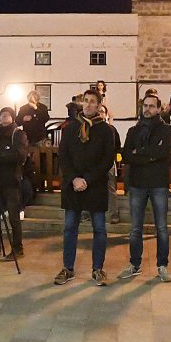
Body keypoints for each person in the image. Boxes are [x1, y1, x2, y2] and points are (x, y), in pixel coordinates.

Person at [53, 90, 114, 286]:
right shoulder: (71, 128)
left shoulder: (105, 130)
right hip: (73, 185)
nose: (88, 105)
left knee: (99, 229)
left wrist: (87, 179)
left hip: (95, 185)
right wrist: (73, 179)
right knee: (70, 228)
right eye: (85, 101)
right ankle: (68, 268)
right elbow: (63, 156)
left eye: (92, 102)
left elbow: (107, 159)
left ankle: (98, 269)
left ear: (98, 105)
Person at [118, 94, 171, 283]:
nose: (147, 109)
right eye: (145, 106)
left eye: (152, 106)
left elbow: (162, 152)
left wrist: (139, 152)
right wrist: (149, 156)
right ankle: (134, 264)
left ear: (159, 109)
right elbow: (125, 155)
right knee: (135, 229)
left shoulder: (166, 130)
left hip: (158, 184)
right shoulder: (134, 131)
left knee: (162, 228)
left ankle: (162, 266)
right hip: (137, 184)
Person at [0, 107, 28, 260]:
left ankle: (17, 248)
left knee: (13, 217)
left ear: (13, 118)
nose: (3, 118)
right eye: (1, 115)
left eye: (7, 115)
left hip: (11, 181)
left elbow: (20, 156)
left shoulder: (18, 134)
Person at [98, 104, 121, 224]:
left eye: (102, 112)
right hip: (93, 163)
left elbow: (117, 145)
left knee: (111, 188)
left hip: (108, 163)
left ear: (106, 115)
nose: (100, 114)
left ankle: (114, 213)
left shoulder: (111, 129)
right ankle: (87, 212)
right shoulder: (89, 128)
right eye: (99, 111)